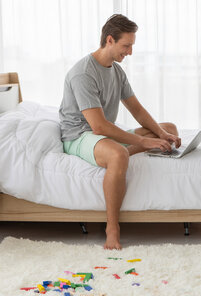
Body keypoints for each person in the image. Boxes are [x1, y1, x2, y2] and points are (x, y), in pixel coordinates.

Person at [59, 14, 181, 250]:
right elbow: (99, 127)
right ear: (110, 40)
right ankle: (112, 229)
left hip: (102, 134)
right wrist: (144, 143)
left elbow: (136, 108)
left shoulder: (115, 70)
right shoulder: (83, 73)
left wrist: (160, 134)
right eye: (127, 46)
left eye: (132, 46)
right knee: (118, 155)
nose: (130, 52)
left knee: (169, 129)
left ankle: (156, 141)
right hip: (79, 135)